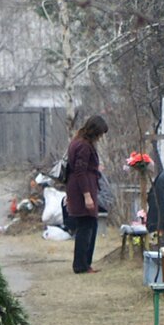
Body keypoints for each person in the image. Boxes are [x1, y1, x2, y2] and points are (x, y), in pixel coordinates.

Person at [64, 115, 108, 274]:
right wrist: (87, 196)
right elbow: (80, 171)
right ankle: (81, 265)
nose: (100, 137)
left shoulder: (77, 141)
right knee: (86, 227)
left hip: (79, 188)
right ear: (95, 131)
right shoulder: (84, 145)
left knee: (89, 225)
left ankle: (84, 264)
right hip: (82, 190)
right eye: (100, 133)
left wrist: (95, 169)